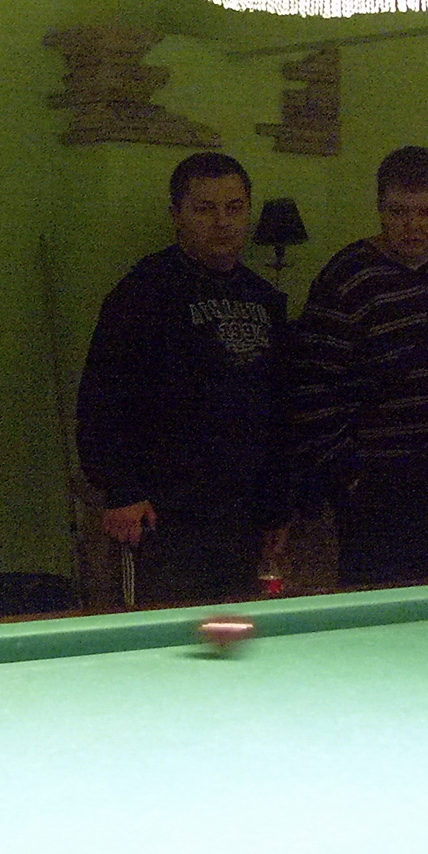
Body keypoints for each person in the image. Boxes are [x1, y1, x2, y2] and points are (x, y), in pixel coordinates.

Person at [75, 151, 291, 609]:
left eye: (234, 208)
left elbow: (278, 407)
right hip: (165, 516)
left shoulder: (264, 298)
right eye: (205, 209)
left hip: (244, 514)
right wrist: (122, 490)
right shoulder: (144, 292)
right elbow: (102, 400)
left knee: (240, 631)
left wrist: (277, 505)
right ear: (177, 214)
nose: (222, 222)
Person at [293, 145, 428, 587]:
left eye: (426, 213)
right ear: (380, 209)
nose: (413, 226)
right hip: (386, 486)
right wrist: (351, 480)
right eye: (399, 212)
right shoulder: (348, 278)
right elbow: (313, 387)